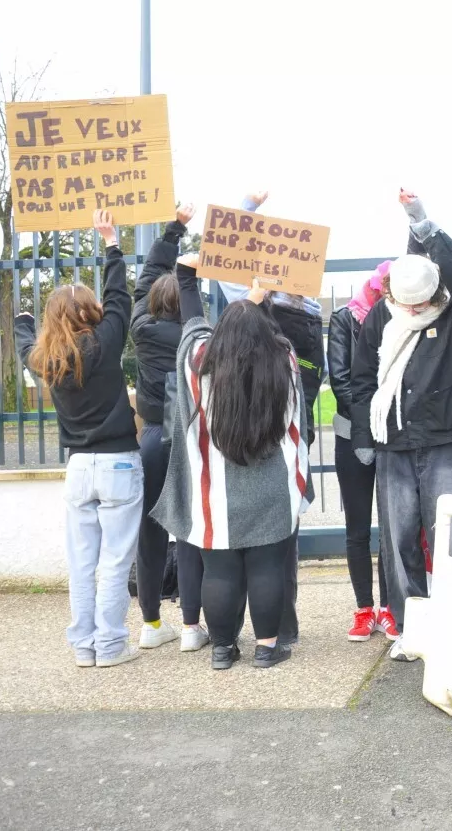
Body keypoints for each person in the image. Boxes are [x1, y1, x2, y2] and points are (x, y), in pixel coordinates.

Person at [350, 190, 452, 662]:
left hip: (446, 436)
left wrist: (424, 225)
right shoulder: (377, 320)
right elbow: (361, 378)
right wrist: (366, 437)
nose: (411, 308)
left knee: (451, 534)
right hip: (393, 442)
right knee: (398, 535)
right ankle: (409, 626)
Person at [151, 261, 314, 670]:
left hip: (214, 491)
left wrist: (187, 276)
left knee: (219, 571)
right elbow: (275, 343)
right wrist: (261, 304)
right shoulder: (284, 360)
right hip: (270, 484)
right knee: (266, 568)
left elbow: (192, 323)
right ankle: (266, 647)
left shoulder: (198, 360)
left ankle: (223, 649)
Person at [15, 210, 143, 668]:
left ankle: (83, 649)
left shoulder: (45, 360)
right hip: (119, 465)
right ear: (91, 312)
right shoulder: (104, 342)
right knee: (113, 563)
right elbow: (119, 298)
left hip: (78, 469)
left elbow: (27, 341)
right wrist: (111, 244)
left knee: (82, 563)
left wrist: (24, 319)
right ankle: (110, 646)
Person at [217, 191, 324, 647]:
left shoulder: (310, 314)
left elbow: (313, 378)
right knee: (261, 542)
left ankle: (280, 627)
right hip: (255, 433)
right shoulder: (253, 301)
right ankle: (263, 630)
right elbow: (227, 260)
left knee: (282, 540)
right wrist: (247, 210)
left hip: (288, 434)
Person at [128, 202, 208, 653]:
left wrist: (175, 227)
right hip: (192, 443)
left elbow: (147, 276)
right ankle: (192, 626)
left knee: (151, 529)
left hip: (152, 440)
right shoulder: (198, 336)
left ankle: (152, 621)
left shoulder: (140, 327)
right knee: (193, 528)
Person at [329, 261, 400, 642]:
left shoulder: (404, 318)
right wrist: (367, 421)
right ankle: (363, 608)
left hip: (392, 434)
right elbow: (340, 379)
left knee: (391, 525)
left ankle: (389, 607)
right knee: (357, 528)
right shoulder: (344, 319)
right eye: (382, 288)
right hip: (352, 432)